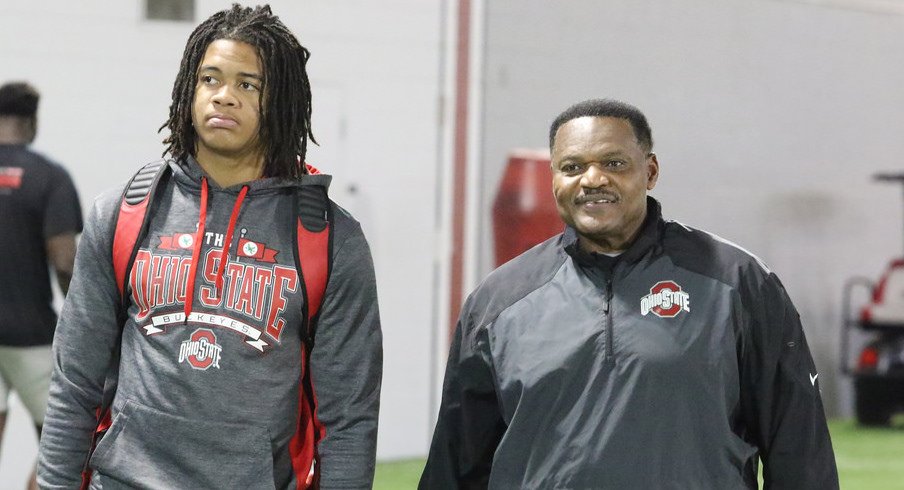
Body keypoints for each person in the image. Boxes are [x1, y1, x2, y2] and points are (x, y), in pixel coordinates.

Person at [37, 4, 382, 489]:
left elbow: (349, 420)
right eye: (210, 79)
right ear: (188, 91)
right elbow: (74, 385)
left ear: (280, 99)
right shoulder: (121, 215)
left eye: (248, 84)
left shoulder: (330, 241)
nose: (224, 97)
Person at [420, 98, 838, 489]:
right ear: (554, 180)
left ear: (650, 171)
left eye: (613, 163)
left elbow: (797, 446)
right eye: (572, 167)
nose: (593, 179)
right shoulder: (499, 300)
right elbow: (456, 464)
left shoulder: (738, 282)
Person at [0, 81, 83, 490]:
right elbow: (66, 262)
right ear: (31, 122)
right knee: (62, 447)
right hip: (31, 334)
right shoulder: (49, 177)